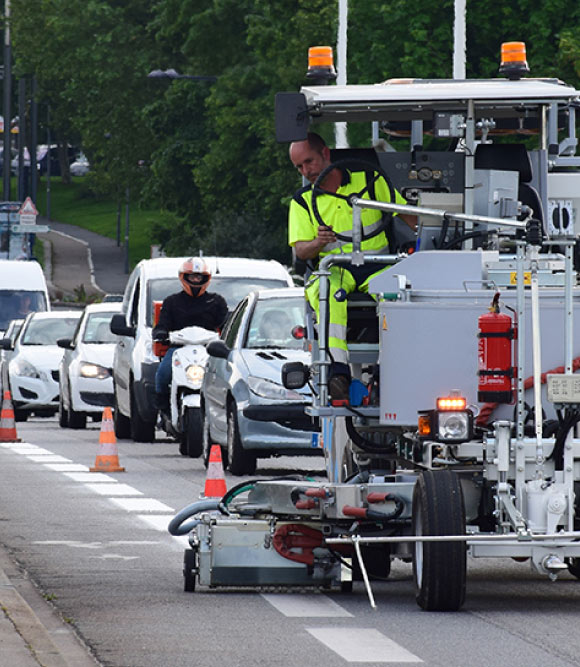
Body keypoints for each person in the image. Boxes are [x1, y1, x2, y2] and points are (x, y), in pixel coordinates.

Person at [288, 132, 417, 400]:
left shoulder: (371, 181)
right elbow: (301, 250)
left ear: (325, 153)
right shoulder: (302, 202)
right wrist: (317, 242)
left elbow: (407, 215)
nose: (306, 171)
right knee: (328, 292)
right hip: (335, 268)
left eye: (309, 162)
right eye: (299, 167)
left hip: (378, 266)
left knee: (396, 292)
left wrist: (433, 240)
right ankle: (338, 373)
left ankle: (387, 372)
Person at [152, 257, 228, 416]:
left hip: (207, 349)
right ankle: (164, 409)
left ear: (206, 278)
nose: (195, 280)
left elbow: (225, 324)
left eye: (199, 277)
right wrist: (161, 333)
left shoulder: (216, 301)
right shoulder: (171, 301)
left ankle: (222, 412)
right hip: (178, 347)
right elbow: (162, 324)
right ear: (183, 277)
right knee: (162, 374)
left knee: (224, 376)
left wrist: (227, 335)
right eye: (192, 276)